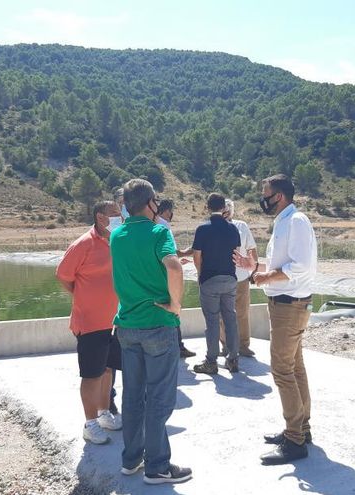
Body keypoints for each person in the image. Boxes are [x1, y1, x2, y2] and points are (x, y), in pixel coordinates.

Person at [110, 179, 193, 485]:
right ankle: (157, 466)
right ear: (151, 203)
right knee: (159, 398)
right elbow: (174, 266)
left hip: (127, 326)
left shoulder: (116, 236)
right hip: (158, 325)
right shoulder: (160, 232)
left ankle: (131, 460)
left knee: (133, 396)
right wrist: (175, 304)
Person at [234, 174, 316, 465]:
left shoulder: (296, 221)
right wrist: (255, 266)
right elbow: (285, 264)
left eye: (265, 193)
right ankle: (300, 429)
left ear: (278, 195)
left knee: (282, 370)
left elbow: (300, 265)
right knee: (294, 368)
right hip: (286, 303)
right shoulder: (285, 221)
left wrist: (266, 276)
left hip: (289, 305)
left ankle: (295, 440)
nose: (263, 199)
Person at [56, 200, 124, 445]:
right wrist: (82, 294)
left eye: (120, 214)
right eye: (114, 214)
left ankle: (105, 413)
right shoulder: (83, 244)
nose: (119, 218)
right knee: (92, 374)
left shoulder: (116, 240)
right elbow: (63, 275)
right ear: (99, 216)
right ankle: (90, 423)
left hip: (113, 320)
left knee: (108, 370)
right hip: (90, 321)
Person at [191, 193, 242, 374]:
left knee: (212, 321)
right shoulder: (233, 229)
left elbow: (197, 256)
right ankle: (233, 358)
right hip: (230, 279)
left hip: (210, 280)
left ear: (207, 207)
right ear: (224, 208)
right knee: (230, 318)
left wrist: (200, 274)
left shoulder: (202, 229)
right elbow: (236, 253)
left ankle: (211, 361)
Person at [154, 198, 197, 358]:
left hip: (161, 274)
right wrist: (186, 253)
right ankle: (177, 346)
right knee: (175, 309)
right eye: (171, 211)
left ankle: (175, 345)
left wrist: (179, 259)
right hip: (167, 276)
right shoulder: (163, 226)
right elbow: (170, 251)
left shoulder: (155, 224)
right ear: (166, 211)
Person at [220, 199, 258, 358]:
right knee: (222, 314)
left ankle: (243, 345)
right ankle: (226, 346)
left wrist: (254, 268)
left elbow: (252, 248)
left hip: (241, 278)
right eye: (224, 208)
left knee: (242, 313)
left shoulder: (242, 226)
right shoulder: (212, 227)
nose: (227, 211)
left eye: (229, 208)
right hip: (221, 277)